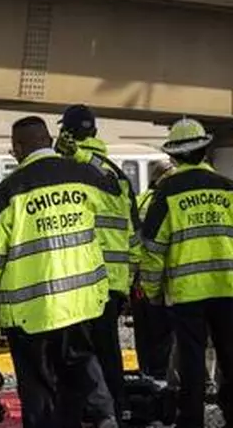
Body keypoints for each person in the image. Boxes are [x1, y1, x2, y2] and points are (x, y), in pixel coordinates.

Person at [0, 116, 120, 428]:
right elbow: (113, 226)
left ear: (18, 147)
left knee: (38, 390)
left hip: (30, 313)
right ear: (48, 140)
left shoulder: (10, 191)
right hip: (81, 304)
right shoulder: (85, 177)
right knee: (78, 378)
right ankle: (100, 418)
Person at [139, 118, 233, 428]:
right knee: (232, 356)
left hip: (187, 292)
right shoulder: (231, 189)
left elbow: (152, 250)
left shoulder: (167, 192)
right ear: (204, 151)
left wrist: (151, 292)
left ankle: (191, 421)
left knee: (191, 361)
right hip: (231, 288)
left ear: (174, 156)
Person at [55, 104, 137, 423]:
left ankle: (85, 414)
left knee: (75, 354)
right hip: (114, 279)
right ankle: (120, 408)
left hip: (83, 277)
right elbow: (132, 232)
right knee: (109, 350)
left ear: (68, 133)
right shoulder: (116, 172)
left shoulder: (71, 169)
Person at [130, 160, 176, 381]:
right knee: (163, 333)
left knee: (143, 332)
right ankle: (160, 377)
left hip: (139, 275)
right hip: (161, 276)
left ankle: (146, 372)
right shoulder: (166, 201)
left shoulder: (139, 201)